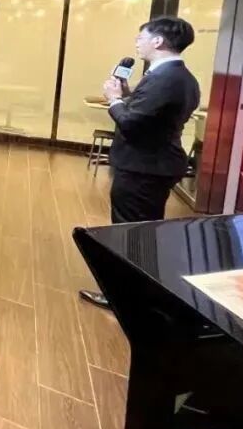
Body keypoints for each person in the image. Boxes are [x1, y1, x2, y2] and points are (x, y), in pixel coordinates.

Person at [79, 17, 201, 311]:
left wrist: (114, 100)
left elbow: (131, 123)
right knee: (142, 230)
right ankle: (142, 289)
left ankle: (124, 297)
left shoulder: (164, 79)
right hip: (156, 164)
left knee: (130, 232)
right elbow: (151, 115)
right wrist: (128, 95)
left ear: (158, 41)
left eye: (141, 36)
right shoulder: (181, 77)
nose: (137, 41)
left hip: (144, 166)